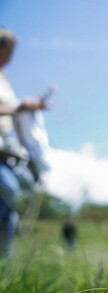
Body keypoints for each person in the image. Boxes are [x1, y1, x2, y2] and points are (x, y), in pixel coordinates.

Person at [0, 27, 53, 258]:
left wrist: (31, 108)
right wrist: (20, 107)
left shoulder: (4, 79)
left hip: (5, 151)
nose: (11, 57)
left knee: (9, 210)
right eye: (9, 51)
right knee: (8, 190)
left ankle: (3, 266)